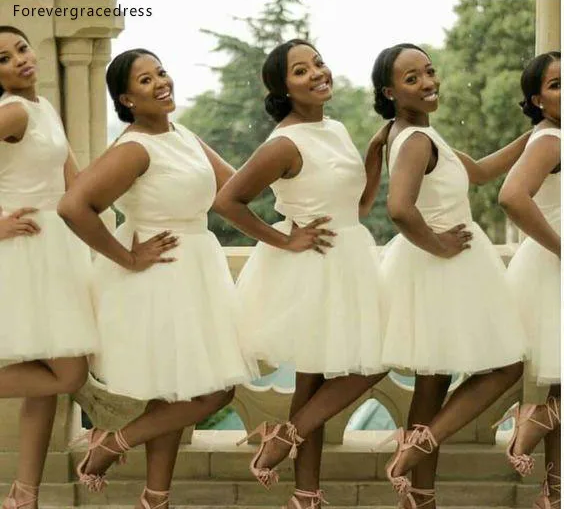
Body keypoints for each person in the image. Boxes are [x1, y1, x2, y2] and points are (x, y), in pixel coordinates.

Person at [57, 48, 257, 509]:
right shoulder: (134, 148)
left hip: (196, 272)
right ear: (126, 99)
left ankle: (155, 498)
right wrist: (126, 257)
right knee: (213, 390)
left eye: (161, 72)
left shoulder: (182, 134)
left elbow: (234, 191)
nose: (160, 82)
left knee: (173, 393)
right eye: (145, 81)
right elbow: (73, 206)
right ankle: (112, 443)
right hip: (158, 280)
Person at [214, 38, 390, 509]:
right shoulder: (285, 142)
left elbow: (358, 206)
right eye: (300, 70)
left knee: (314, 384)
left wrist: (374, 153)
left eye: (318, 63)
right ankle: (289, 446)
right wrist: (286, 239)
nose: (316, 73)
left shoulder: (334, 127)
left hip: (350, 256)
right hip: (315, 266)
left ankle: (304, 493)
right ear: (284, 88)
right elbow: (228, 201)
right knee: (370, 364)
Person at [371, 43, 528, 508]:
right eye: (413, 78)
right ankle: (423, 440)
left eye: (430, 71)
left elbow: (478, 172)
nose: (429, 82)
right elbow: (399, 209)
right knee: (507, 366)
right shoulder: (416, 140)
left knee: (432, 379)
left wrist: (538, 133)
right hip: (444, 262)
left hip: (435, 265)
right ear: (390, 91)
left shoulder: (415, 133)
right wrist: (439, 245)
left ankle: (419, 498)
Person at [0, 25, 98, 509]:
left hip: (57, 248)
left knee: (45, 380)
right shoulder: (11, 110)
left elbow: (77, 185)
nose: (19, 59)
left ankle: (24, 496)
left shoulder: (42, 108)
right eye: (3, 57)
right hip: (24, 252)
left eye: (20, 48)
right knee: (67, 376)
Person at [498, 51, 561, 509]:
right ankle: (539, 415)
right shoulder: (549, 140)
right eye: (556, 84)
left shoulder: (544, 135)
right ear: (537, 99)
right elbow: (511, 196)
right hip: (554, 268)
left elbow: (481, 171)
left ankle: (554, 492)